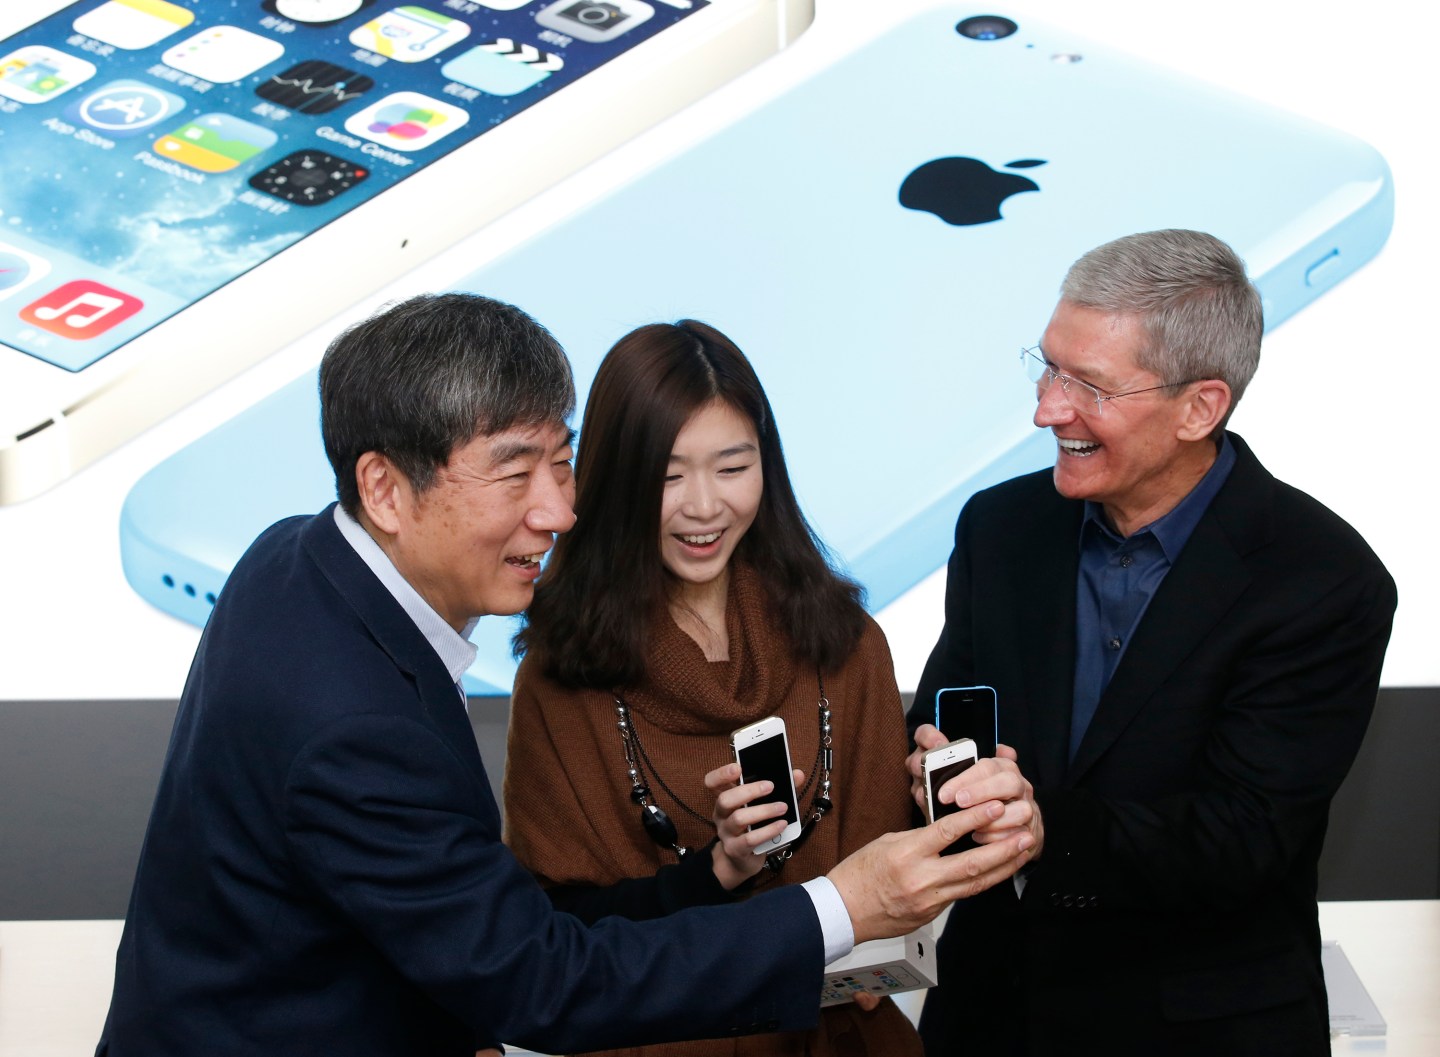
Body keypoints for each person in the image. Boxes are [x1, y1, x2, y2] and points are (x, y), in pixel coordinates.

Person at [97, 293, 1035, 1057]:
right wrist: (842, 903)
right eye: (515, 475)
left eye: (562, 459)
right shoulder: (358, 724)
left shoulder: (290, 559)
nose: (558, 508)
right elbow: (540, 976)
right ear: (384, 488)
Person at [904, 229, 1396, 1057]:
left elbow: (1241, 837)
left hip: (1196, 1033)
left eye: (1088, 385)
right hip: (992, 1021)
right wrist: (930, 773)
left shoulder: (1323, 579)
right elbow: (953, 716)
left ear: (1200, 406)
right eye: (1047, 365)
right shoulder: (1001, 526)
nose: (1047, 408)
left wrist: (1039, 826)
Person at [506, 320, 922, 1057]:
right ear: (615, 478)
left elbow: (888, 894)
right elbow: (558, 930)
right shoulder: (561, 674)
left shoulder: (844, 641)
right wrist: (718, 868)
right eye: (668, 475)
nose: (704, 506)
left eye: (733, 467)